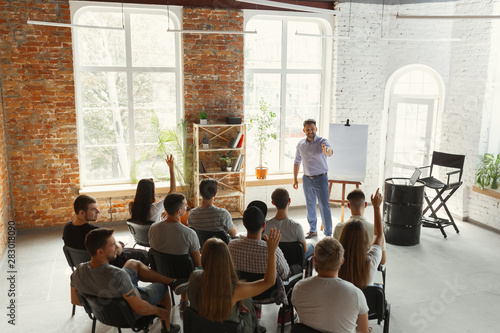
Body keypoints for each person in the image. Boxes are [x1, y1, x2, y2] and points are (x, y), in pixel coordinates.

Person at [70, 228, 182, 333]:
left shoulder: (78, 272)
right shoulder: (118, 275)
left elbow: (75, 300)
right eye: (113, 245)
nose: (117, 247)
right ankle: (167, 328)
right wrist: (161, 312)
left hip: (107, 310)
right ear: (100, 252)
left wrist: (98, 303)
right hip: (130, 312)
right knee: (162, 286)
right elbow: (140, 308)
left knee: (132, 263)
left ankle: (172, 281)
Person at [188, 229, 282, 333]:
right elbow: (269, 282)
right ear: (227, 259)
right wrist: (272, 252)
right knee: (247, 301)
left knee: (244, 301)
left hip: (202, 328)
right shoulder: (235, 290)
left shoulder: (193, 277)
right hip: (229, 329)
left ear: (204, 258)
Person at [228, 206, 293, 325]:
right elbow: (285, 274)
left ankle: (255, 306)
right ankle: (286, 312)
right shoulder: (273, 251)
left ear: (243, 223)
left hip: (242, 293)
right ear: (264, 225)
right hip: (269, 295)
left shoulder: (231, 246)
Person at [291, 237, 369, 333]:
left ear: (315, 260)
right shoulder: (356, 293)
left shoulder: (299, 288)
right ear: (342, 261)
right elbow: (363, 330)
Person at [63, 194, 148, 268]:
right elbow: (118, 251)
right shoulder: (96, 232)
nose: (98, 211)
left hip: (85, 266)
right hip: (110, 264)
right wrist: (117, 244)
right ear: (81, 213)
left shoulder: (67, 227)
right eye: (93, 209)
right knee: (145, 255)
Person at [148, 193, 201, 311]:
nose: (186, 207)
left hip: (161, 272)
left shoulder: (153, 228)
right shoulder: (189, 233)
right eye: (185, 206)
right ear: (178, 212)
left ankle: (181, 299)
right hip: (184, 275)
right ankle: (185, 300)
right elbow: (197, 263)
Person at [293, 119, 333, 238]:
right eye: (308, 129)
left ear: (316, 129)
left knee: (324, 205)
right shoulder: (301, 145)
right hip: (307, 179)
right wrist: (295, 179)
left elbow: (330, 152)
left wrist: (326, 150)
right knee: (310, 205)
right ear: (304, 130)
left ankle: (328, 233)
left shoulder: (322, 141)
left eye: (312, 129)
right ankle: (312, 230)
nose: (310, 131)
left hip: (321, 179)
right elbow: (297, 162)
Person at [338, 188, 384, 289]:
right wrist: (376, 208)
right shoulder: (371, 264)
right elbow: (378, 235)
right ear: (365, 241)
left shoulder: (335, 267)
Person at [333, 188, 386, 265]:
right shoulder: (375, 230)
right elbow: (382, 260)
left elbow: (335, 256)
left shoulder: (339, 227)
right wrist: (376, 207)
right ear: (365, 204)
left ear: (348, 205)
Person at [264, 187, 314, 258]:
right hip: (293, 261)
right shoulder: (297, 227)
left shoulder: (265, 225)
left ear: (273, 203)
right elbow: (305, 250)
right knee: (312, 246)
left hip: (273, 259)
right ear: (289, 200)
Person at [129, 154, 177, 224]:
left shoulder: (132, 206)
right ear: (151, 193)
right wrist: (171, 169)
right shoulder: (155, 208)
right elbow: (173, 191)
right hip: (155, 234)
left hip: (141, 235)